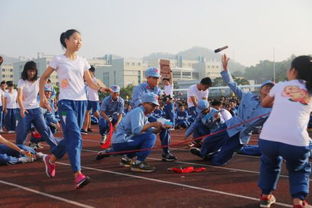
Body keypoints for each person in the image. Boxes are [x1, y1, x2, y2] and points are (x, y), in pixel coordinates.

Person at [39, 29, 111, 189]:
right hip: (65, 104)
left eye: (81, 40)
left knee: (72, 136)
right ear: (66, 40)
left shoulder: (83, 61)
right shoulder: (58, 59)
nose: (79, 42)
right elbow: (43, 78)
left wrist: (101, 87)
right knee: (76, 137)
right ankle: (77, 174)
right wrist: (43, 97)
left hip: (81, 103)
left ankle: (50, 159)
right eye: (76, 39)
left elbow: (89, 82)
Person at [190, 54, 274, 166]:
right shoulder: (247, 96)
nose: (268, 88)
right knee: (211, 140)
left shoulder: (272, 109)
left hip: (242, 134)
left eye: (271, 87)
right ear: (260, 89)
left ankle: (214, 157)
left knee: (219, 160)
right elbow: (233, 85)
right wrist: (225, 70)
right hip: (231, 125)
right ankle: (204, 153)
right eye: (266, 86)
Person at [258, 56, 312, 208]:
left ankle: (265, 197)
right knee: (298, 169)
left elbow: (264, 103)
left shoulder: (281, 86)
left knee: (269, 165)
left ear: (293, 71)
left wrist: (282, 103)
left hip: (268, 137)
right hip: (296, 140)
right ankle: (298, 201)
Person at [96, 93, 165, 172]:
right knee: (150, 137)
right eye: (153, 105)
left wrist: (160, 128)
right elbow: (137, 130)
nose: (155, 108)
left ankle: (123, 157)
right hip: (121, 141)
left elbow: (150, 130)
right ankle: (138, 163)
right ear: (144, 103)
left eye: (156, 106)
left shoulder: (143, 114)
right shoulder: (138, 111)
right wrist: (152, 124)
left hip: (119, 142)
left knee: (148, 136)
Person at [131, 67, 176, 162]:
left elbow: (162, 100)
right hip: (139, 116)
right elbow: (137, 103)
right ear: (148, 78)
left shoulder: (157, 89)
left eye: (158, 78)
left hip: (150, 115)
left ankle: (166, 152)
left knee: (165, 126)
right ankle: (128, 155)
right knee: (137, 135)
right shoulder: (139, 88)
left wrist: (166, 101)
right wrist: (152, 103)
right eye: (154, 78)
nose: (157, 80)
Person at [15, 61, 59, 149]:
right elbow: (19, 97)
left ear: (36, 71)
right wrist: (22, 108)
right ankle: (19, 150)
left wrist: (46, 102)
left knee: (44, 128)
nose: (31, 73)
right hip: (25, 110)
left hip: (36, 109)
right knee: (22, 131)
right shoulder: (22, 81)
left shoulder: (39, 80)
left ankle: (55, 147)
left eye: (33, 71)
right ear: (26, 71)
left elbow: (43, 93)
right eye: (29, 71)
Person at [81, 66, 100, 134]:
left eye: (88, 72)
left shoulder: (94, 80)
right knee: (86, 113)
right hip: (88, 99)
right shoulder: (88, 80)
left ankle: (105, 124)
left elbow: (99, 86)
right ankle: (86, 128)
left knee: (96, 113)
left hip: (94, 99)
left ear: (91, 72)